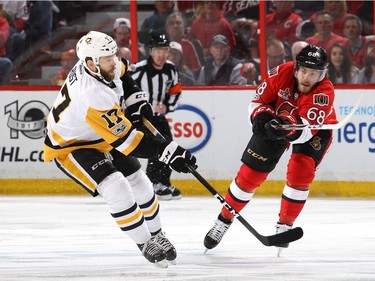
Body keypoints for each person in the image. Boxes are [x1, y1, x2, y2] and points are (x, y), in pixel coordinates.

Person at [43, 31, 197, 267]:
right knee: (117, 187)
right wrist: (168, 151)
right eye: (108, 58)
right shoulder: (92, 93)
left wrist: (137, 99)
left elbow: (124, 72)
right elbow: (128, 142)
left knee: (140, 182)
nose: (114, 61)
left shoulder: (100, 63)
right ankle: (145, 242)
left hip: (99, 133)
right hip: (72, 145)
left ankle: (157, 234)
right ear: (91, 63)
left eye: (113, 54)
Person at [204, 45, 338, 256]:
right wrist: (260, 116)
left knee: (300, 170)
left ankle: (285, 226)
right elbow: (257, 101)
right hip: (277, 121)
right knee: (250, 175)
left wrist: (283, 126)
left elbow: (304, 132)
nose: (307, 78)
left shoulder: (324, 92)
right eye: (304, 71)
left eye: (314, 74)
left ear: (323, 74)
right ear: (295, 69)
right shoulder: (279, 73)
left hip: (313, 131)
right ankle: (224, 219)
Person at [129, 33, 184, 200]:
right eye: (158, 51)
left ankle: (163, 182)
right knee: (155, 149)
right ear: (150, 51)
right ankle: (153, 184)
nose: (162, 55)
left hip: (159, 118)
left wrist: (167, 106)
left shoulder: (171, 69)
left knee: (169, 146)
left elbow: (176, 92)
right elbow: (123, 90)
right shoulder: (138, 69)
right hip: (142, 119)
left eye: (165, 50)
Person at [165, 12, 202, 76]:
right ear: (167, 28)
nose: (175, 26)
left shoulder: (193, 43)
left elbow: (197, 70)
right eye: (171, 23)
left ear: (184, 27)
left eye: (178, 23)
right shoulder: (160, 46)